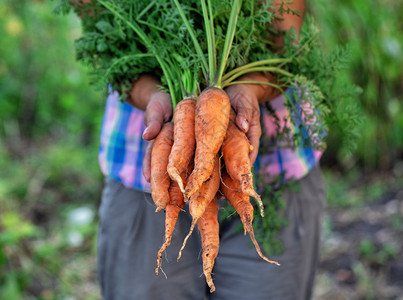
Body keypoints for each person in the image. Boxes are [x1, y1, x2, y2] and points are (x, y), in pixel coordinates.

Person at [75, 0, 326, 299]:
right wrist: (154, 96)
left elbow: (286, 38)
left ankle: (244, 201)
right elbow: (105, 41)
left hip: (277, 167)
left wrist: (251, 88)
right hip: (149, 181)